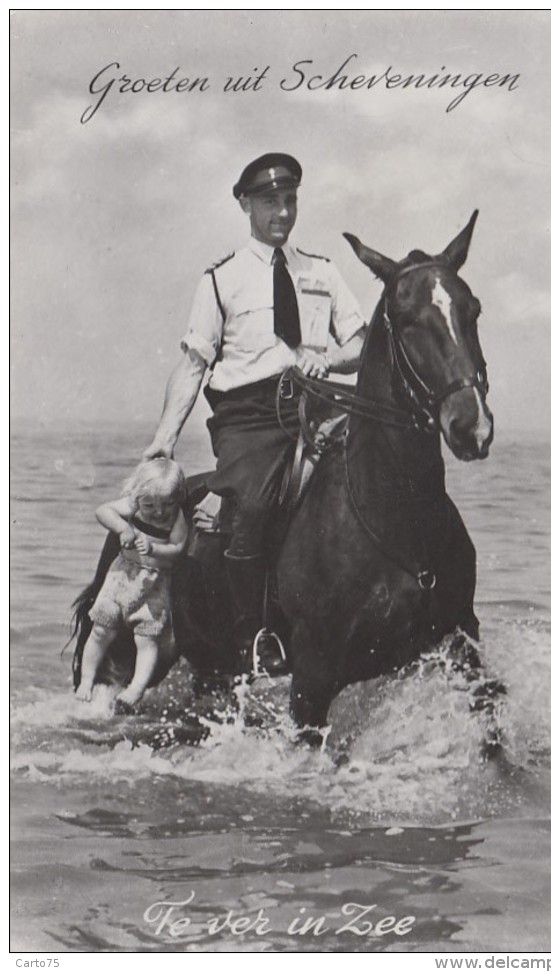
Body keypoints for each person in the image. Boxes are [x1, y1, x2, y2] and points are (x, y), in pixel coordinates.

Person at [143, 152, 366, 672]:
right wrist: (163, 439)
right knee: (253, 505)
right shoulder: (220, 279)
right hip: (248, 417)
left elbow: (361, 342)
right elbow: (194, 363)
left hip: (318, 403)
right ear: (245, 205)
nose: (283, 213)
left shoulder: (323, 272)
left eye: (290, 200)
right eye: (270, 202)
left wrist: (329, 356)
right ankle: (253, 634)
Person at [75, 458, 188, 711]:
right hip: (120, 579)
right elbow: (102, 511)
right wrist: (123, 528)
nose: (159, 512)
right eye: (150, 505)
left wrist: (156, 548)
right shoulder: (134, 505)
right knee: (100, 631)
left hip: (154, 586)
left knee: (146, 639)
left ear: (178, 498)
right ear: (138, 496)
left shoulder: (176, 518)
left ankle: (136, 687)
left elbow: (179, 547)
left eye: (168, 504)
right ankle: (86, 680)